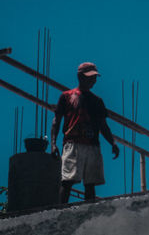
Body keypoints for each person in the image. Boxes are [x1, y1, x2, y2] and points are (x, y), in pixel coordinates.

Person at [51, 62, 119, 203]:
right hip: (72, 143)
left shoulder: (97, 101)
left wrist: (112, 142)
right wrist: (53, 143)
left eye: (94, 78)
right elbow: (56, 121)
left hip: (92, 145)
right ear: (80, 77)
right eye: (90, 77)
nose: (93, 81)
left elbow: (103, 125)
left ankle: (88, 211)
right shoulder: (67, 96)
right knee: (68, 180)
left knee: (90, 183)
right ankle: (59, 211)